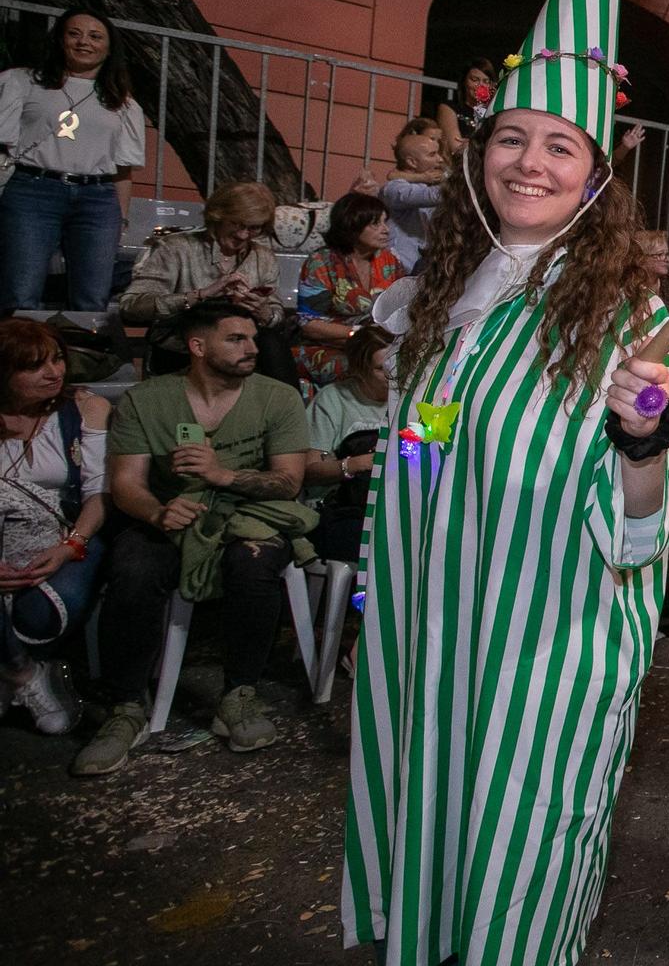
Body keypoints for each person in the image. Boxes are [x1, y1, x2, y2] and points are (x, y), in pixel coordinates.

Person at [343, 0, 669, 966]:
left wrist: (643, 448)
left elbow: (663, 505)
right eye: (511, 136)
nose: (529, 162)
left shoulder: (623, 318)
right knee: (435, 857)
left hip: (546, 660)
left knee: (519, 878)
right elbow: (423, 445)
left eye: (561, 145)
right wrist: (402, 483)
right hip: (427, 637)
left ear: (596, 172)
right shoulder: (443, 295)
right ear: (477, 152)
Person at [72, 301, 313, 775]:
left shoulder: (278, 397)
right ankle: (126, 708)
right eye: (236, 339)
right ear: (198, 346)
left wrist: (221, 475)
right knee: (134, 568)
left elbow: (288, 483)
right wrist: (159, 512)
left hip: (247, 513)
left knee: (254, 560)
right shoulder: (149, 399)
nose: (251, 348)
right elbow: (126, 484)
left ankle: (240, 694)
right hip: (169, 514)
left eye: (252, 339)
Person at [0, 318, 111, 735]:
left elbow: (99, 494)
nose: (55, 372)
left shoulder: (84, 409)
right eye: (35, 366)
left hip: (71, 532)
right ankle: (23, 674)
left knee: (37, 617)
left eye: (58, 359)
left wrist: (70, 546)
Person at [0, 8, 149, 312]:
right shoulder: (24, 82)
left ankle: (81, 357)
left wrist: (120, 217)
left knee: (93, 297)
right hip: (34, 190)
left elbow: (122, 170)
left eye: (95, 37)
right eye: (74, 33)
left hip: (97, 198)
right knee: (21, 291)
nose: (84, 42)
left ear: (108, 49)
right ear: (60, 40)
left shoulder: (121, 101)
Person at [119, 180, 298, 385]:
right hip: (183, 343)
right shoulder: (176, 248)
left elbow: (275, 314)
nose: (243, 235)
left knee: (270, 341)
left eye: (253, 228)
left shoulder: (262, 257)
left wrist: (263, 312)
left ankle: (286, 409)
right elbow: (131, 306)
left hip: (241, 345)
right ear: (219, 216)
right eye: (237, 224)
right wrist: (200, 295)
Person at [300, 325, 393, 568]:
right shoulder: (334, 400)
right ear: (360, 369)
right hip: (339, 509)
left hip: (390, 504)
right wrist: (355, 464)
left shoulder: (406, 399)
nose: (393, 374)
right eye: (381, 369)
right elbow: (309, 469)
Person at [292, 192, 405, 386]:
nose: (386, 230)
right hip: (329, 346)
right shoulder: (321, 263)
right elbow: (309, 324)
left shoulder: (388, 262)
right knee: (361, 371)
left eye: (385, 222)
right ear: (352, 226)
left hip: (377, 347)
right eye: (375, 224)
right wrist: (357, 333)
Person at [379, 124, 446, 272]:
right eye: (432, 155)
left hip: (422, 270)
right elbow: (432, 196)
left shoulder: (428, 186)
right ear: (412, 162)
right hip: (396, 270)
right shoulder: (393, 188)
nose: (440, 159)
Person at [432, 57, 495, 159]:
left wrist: (471, 144)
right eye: (475, 80)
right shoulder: (449, 108)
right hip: (460, 169)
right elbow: (456, 148)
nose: (481, 85)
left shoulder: (493, 113)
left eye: (486, 81)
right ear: (464, 82)